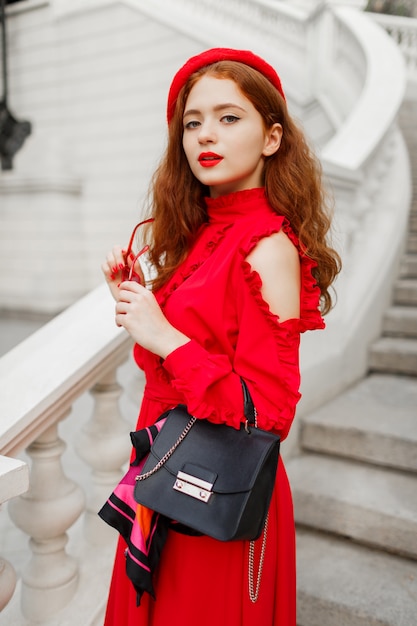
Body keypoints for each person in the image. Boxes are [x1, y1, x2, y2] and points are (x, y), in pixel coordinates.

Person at [100, 47, 341, 626]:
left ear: (271, 138)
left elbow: (269, 413)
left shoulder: (269, 246)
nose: (206, 134)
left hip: (217, 489)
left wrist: (166, 337)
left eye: (229, 118)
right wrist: (141, 301)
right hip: (169, 474)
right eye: (193, 121)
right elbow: (180, 360)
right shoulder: (200, 235)